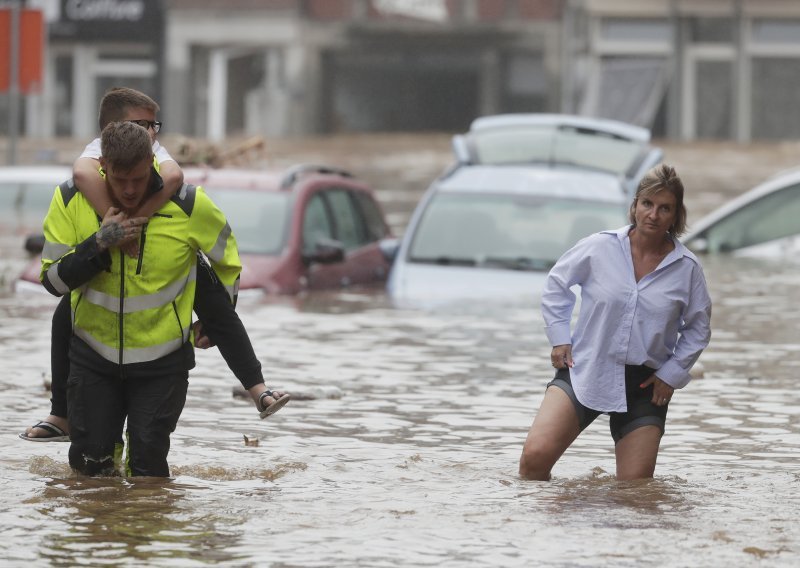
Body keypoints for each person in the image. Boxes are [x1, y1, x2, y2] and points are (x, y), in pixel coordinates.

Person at [20, 87, 288, 444]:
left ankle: (256, 387)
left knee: (214, 301)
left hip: (162, 360)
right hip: (94, 353)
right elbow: (82, 178)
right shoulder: (78, 184)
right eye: (141, 124)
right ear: (110, 134)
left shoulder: (178, 189)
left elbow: (176, 182)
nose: (150, 132)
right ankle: (61, 413)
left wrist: (141, 218)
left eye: (154, 125)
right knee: (65, 316)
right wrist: (105, 236)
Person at [40, 121, 248, 476]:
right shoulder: (71, 200)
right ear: (103, 164)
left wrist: (218, 315)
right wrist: (98, 243)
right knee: (91, 466)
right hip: (93, 354)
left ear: (152, 162)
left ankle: (141, 527)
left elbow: (227, 260)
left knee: (149, 467)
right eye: (121, 181)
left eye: (138, 179)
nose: (131, 190)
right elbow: (53, 281)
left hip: (162, 361)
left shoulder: (188, 204)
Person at [518, 164, 712, 481]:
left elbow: (698, 328)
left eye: (665, 208)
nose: (653, 214)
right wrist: (560, 338)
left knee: (635, 494)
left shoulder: (687, 269)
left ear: (675, 216)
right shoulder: (599, 247)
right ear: (635, 205)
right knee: (533, 462)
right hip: (585, 368)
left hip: (644, 387)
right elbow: (557, 285)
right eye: (647, 204)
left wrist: (672, 374)